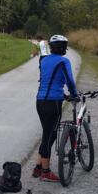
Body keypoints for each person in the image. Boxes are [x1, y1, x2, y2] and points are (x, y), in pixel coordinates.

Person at [33, 34, 78, 182]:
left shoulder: (44, 60)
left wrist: (63, 94)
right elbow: (70, 81)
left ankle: (38, 167)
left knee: (48, 134)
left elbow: (47, 80)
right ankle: (45, 172)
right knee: (49, 136)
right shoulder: (63, 61)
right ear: (63, 48)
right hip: (53, 103)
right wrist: (73, 95)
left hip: (40, 101)